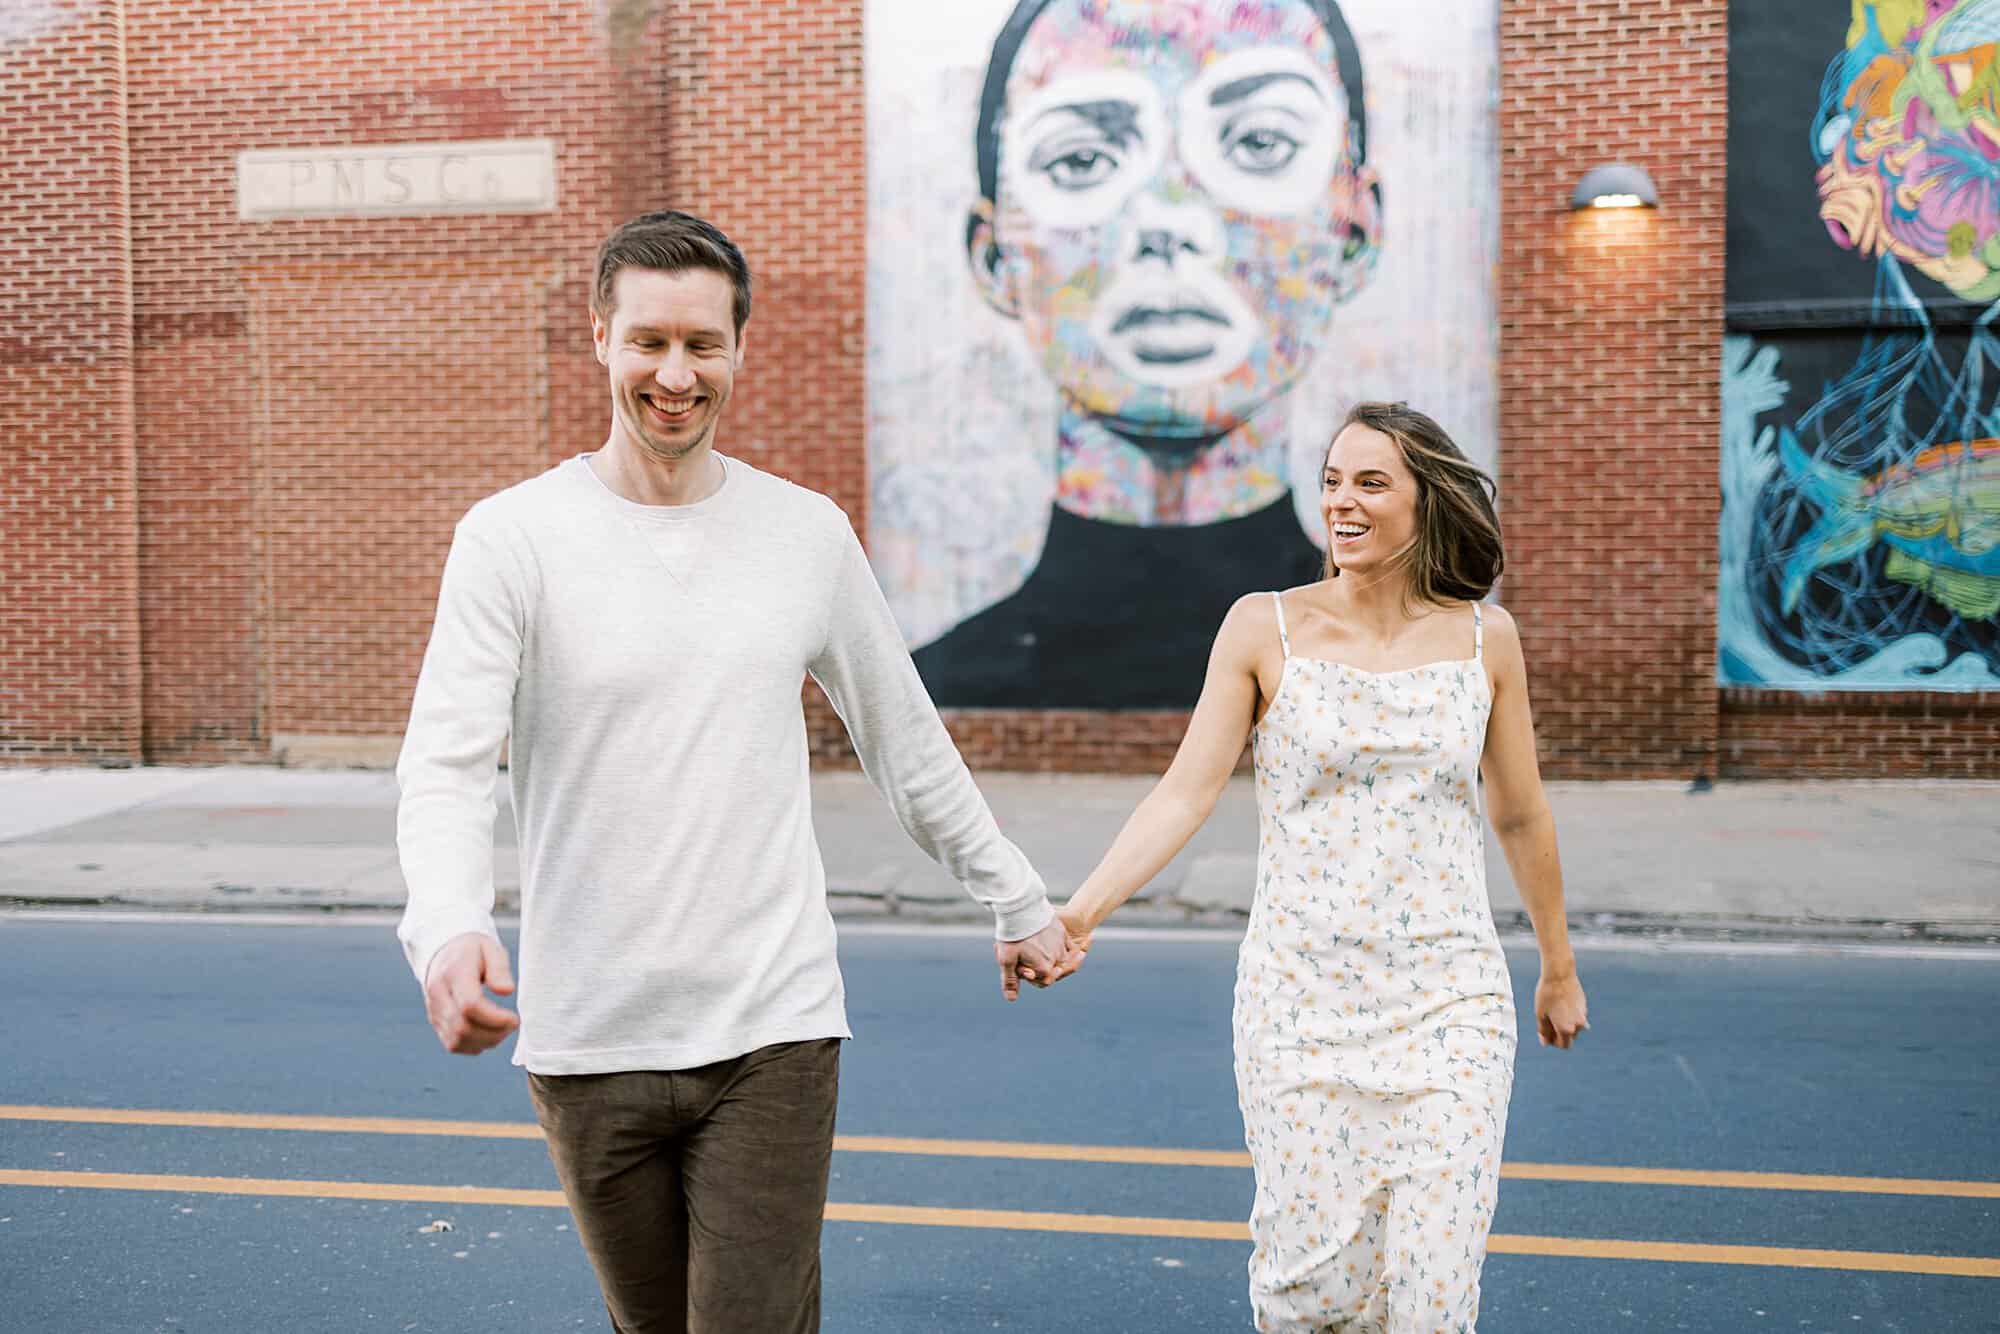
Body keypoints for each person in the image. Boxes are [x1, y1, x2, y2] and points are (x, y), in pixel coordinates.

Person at [393, 209, 1082, 1334]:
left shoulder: (802, 533)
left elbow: (901, 738)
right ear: (601, 339)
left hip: (771, 1029)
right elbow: (447, 761)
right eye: (650, 341)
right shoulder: (511, 537)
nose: (676, 374)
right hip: (590, 1033)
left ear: (737, 350)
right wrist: (449, 923)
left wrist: (1011, 893)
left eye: (702, 344)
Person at [1056, 401, 1588, 1331]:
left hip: (1449, 1001)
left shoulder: (1483, 639)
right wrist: (1083, 910)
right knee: (1315, 1293)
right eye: (1333, 481)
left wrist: (1558, 965)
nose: (1343, 502)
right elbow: (1185, 792)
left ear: (1427, 500)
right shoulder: (1264, 629)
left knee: (1434, 1289)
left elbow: (1519, 811)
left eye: (1371, 482)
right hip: (1299, 1004)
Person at [912, 0, 1383, 709]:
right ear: (995, 256)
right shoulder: (937, 681)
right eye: (1081, 158)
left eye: (1260, 143)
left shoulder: (1407, 677)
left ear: (1354, 233)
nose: (1167, 219)